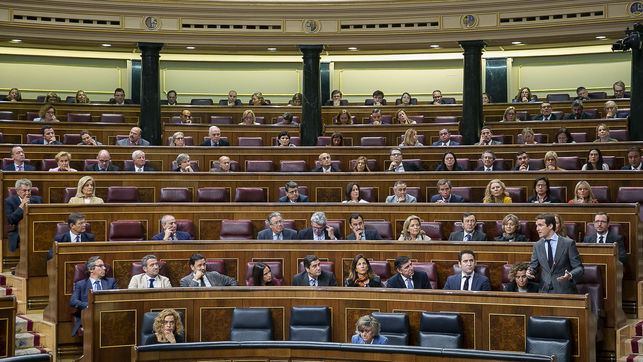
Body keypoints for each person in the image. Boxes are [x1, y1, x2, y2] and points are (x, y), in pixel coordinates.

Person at [527, 213, 584, 294]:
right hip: (544, 291)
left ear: (550, 226)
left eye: (540, 225)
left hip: (564, 291)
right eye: (537, 225)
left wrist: (570, 275)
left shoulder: (568, 243)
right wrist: (530, 271)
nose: (537, 229)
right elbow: (533, 266)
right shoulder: (537, 245)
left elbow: (579, 268)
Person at [69, 256, 118, 335]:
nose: (104, 268)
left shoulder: (111, 282)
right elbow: (73, 301)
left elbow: (117, 298)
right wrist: (90, 305)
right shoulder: (81, 284)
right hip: (89, 316)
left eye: (104, 266)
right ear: (91, 269)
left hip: (108, 315)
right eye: (100, 266)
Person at [5, 179, 43, 252]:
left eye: (29, 190)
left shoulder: (38, 200)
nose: (27, 193)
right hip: (18, 231)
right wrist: (22, 205)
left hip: (36, 229)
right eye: (24, 190)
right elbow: (10, 220)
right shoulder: (9, 201)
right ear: (17, 191)